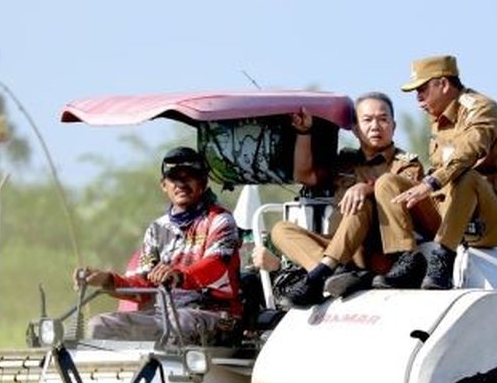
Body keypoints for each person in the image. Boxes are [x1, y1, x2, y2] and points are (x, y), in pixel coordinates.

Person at [251, 92, 439, 307]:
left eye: (383, 119)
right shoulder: (345, 161)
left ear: (393, 126)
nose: (376, 126)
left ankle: (319, 276)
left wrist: (367, 188)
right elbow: (305, 176)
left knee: (359, 205)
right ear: (356, 129)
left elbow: (405, 196)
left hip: (377, 253)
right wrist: (304, 133)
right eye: (367, 120)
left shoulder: (406, 164)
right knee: (281, 230)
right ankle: (336, 275)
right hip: (339, 250)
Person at [76, 147, 242, 344]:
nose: (181, 184)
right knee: (99, 325)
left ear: (203, 183)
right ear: (164, 185)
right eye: (174, 178)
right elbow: (142, 285)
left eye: (189, 177)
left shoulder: (221, 220)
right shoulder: (156, 229)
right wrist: (106, 280)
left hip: (215, 316)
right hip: (163, 317)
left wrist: (179, 275)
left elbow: (215, 265)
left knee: (179, 324)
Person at [392, 54, 497, 289]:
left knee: (467, 176)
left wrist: (430, 183)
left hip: (490, 220)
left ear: (443, 84)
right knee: (389, 183)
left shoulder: (481, 109)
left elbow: (468, 152)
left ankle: (442, 261)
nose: (418, 98)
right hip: (450, 212)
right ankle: (405, 259)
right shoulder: (437, 118)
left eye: (422, 89)